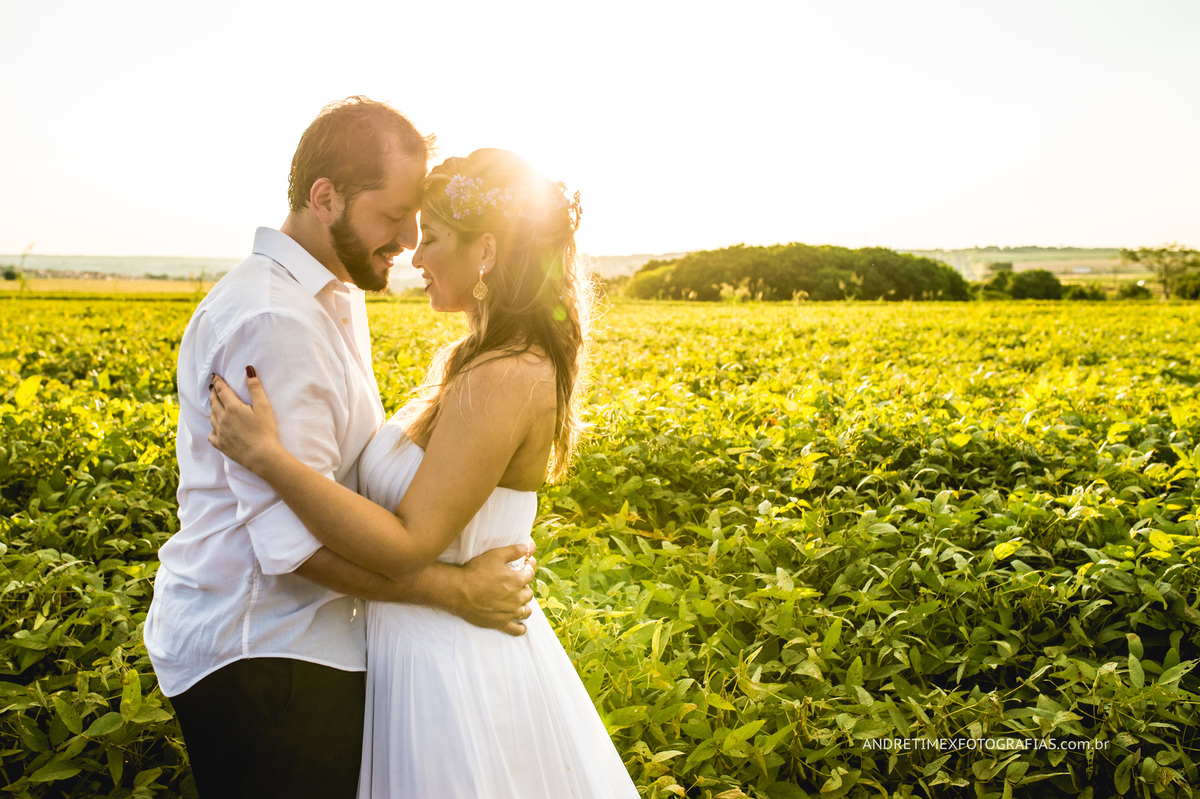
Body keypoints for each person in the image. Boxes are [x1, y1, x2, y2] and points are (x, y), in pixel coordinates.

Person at [208, 148, 639, 796]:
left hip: (454, 669)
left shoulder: (507, 374)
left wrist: (269, 458)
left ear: (486, 252)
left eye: (431, 238)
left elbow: (409, 543)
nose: (414, 255)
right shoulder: (472, 358)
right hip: (416, 649)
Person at [142, 99, 538, 799]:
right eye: (393, 217)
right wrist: (457, 590)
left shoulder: (335, 295)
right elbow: (294, 548)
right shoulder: (275, 319)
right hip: (267, 650)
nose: (409, 239)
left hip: (310, 644)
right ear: (325, 198)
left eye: (419, 218)